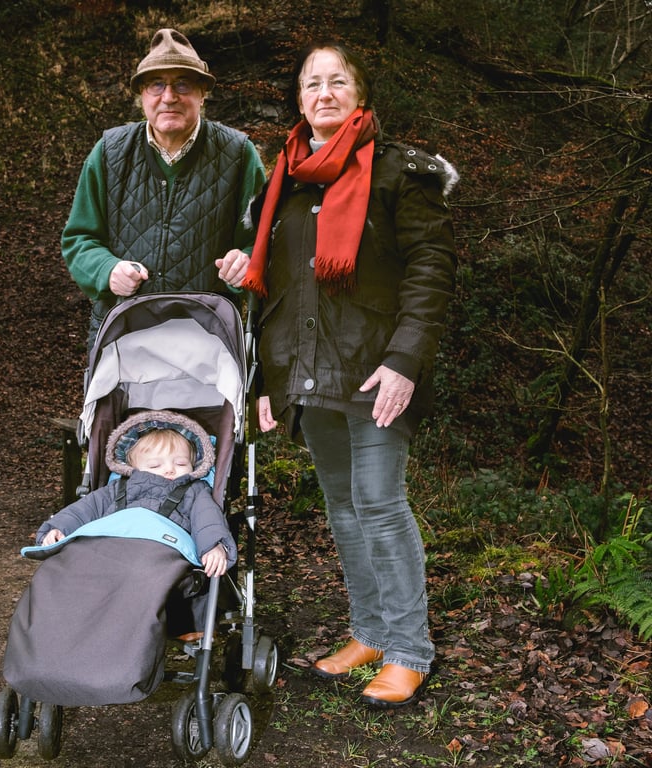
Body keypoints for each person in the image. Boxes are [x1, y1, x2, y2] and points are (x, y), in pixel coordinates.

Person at [241, 41, 459, 709]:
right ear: (300, 100)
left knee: (380, 503)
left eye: (338, 81)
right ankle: (370, 632)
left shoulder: (399, 172)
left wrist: (405, 361)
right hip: (308, 371)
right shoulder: (284, 181)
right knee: (342, 506)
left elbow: (430, 272)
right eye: (313, 84)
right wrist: (266, 380)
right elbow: (274, 289)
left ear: (359, 95)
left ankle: (408, 650)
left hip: (375, 369)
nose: (325, 93)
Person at [2, 409, 237, 706]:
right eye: (156, 465)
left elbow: (208, 521)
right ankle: (42, 661)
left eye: (180, 463)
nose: (169, 470)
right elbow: (83, 510)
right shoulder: (116, 489)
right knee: (54, 574)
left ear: (194, 465)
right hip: (101, 548)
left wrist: (214, 546)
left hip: (155, 550)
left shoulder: (194, 491)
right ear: (133, 466)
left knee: (140, 579)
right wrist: (58, 528)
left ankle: (119, 666)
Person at [61, 28, 267, 351]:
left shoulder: (239, 154)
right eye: (156, 84)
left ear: (202, 93)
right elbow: (79, 239)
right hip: (123, 344)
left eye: (182, 84)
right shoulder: (109, 152)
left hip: (208, 348)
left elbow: (265, 241)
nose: (169, 96)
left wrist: (245, 261)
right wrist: (106, 270)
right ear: (142, 94)